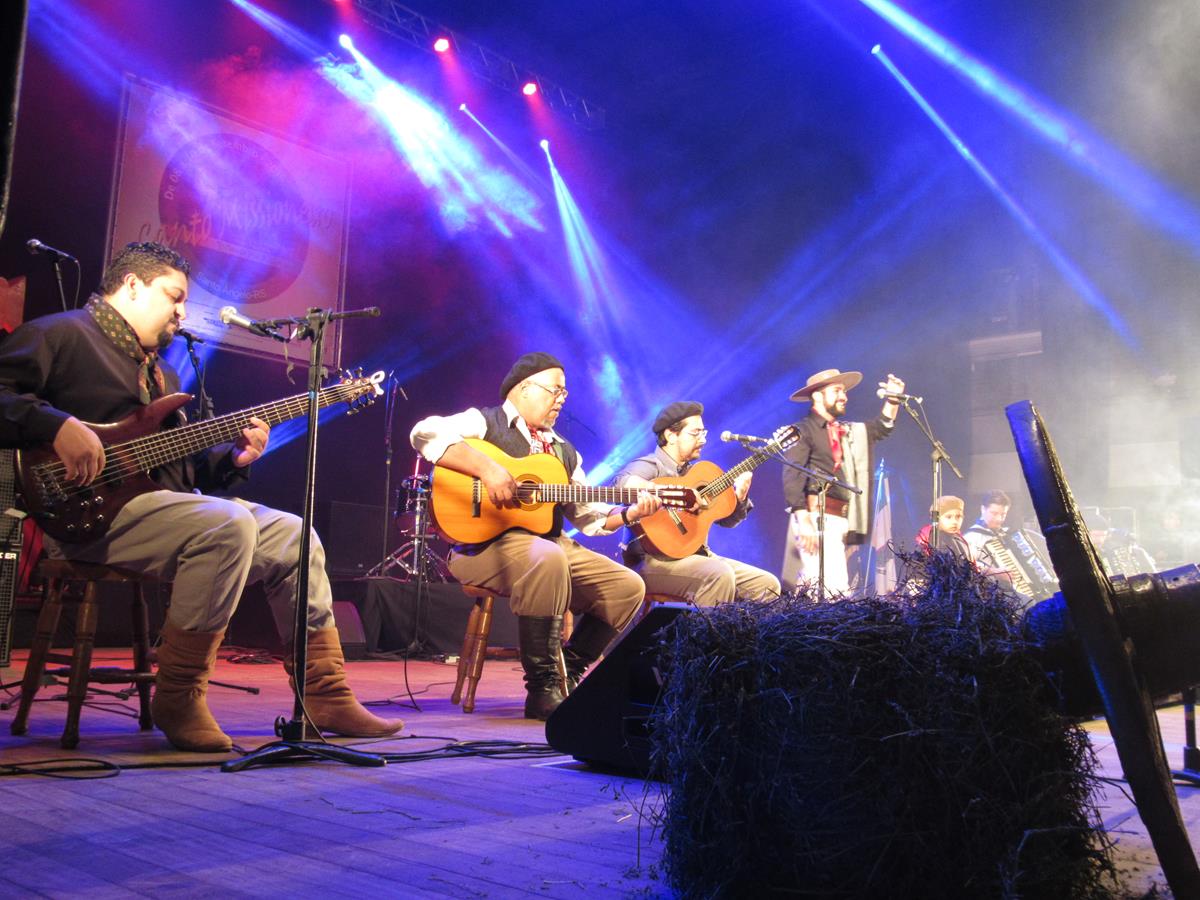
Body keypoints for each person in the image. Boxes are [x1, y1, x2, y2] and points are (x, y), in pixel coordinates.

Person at [0, 242, 402, 752]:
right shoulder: (59, 334)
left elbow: (183, 476)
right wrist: (55, 424)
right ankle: (179, 695)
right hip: (84, 516)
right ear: (131, 286)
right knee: (224, 525)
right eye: (173, 296)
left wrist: (233, 461)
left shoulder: (162, 375)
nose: (182, 312)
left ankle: (324, 692)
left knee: (295, 535)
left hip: (159, 509)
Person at [409, 352, 659, 720]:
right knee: (548, 556)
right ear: (523, 388)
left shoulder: (563, 451)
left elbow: (588, 517)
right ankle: (541, 688)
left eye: (564, 393)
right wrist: (489, 470)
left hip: (548, 547)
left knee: (628, 586)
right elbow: (424, 431)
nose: (561, 399)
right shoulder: (484, 421)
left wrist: (629, 513)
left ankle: (568, 675)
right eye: (554, 390)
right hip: (483, 547)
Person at [613, 401, 781, 605]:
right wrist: (679, 494)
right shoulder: (650, 465)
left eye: (704, 433)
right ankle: (700, 637)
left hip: (698, 557)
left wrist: (739, 497)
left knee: (767, 585)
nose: (702, 439)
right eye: (695, 433)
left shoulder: (699, 473)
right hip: (652, 560)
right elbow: (622, 484)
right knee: (719, 574)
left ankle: (740, 637)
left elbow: (728, 521)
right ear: (670, 435)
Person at [781, 368, 904, 595]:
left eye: (844, 391)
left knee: (832, 588)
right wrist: (803, 518)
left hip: (839, 519)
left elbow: (880, 428)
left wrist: (893, 399)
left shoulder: (846, 431)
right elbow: (792, 475)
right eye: (837, 390)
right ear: (817, 395)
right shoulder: (802, 431)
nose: (844, 396)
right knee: (831, 590)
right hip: (815, 517)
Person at [963, 489, 1013, 573]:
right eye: (994, 513)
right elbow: (965, 565)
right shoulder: (972, 537)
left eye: (1003, 514)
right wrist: (994, 572)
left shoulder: (1005, 533)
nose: (999, 519)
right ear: (983, 509)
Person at [916, 495, 972, 561]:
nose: (954, 522)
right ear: (937, 518)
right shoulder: (934, 538)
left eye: (958, 516)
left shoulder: (959, 539)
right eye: (948, 517)